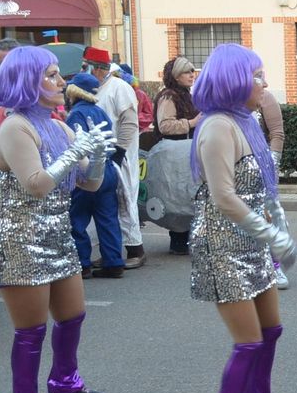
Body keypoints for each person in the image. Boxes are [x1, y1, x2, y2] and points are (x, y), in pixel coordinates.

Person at [0, 45, 112, 393]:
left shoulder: (58, 125)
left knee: (72, 315)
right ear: (26, 82)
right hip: (18, 236)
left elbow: (88, 183)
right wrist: (75, 154)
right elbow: (36, 184)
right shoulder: (14, 126)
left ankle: (65, 382)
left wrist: (99, 157)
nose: (62, 82)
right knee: (31, 330)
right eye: (51, 75)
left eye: (59, 74)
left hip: (55, 234)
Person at [190, 44, 297, 393]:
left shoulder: (245, 121)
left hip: (250, 245)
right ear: (234, 80)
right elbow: (223, 197)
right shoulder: (217, 126)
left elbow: (261, 190)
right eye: (257, 76)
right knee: (248, 341)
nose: (265, 84)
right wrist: (273, 235)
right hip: (222, 247)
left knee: (270, 330)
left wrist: (273, 230)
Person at [84, 47, 144, 269]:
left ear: (99, 68)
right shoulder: (91, 89)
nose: (85, 70)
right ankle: (110, 251)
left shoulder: (120, 88)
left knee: (125, 199)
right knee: (104, 204)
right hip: (99, 156)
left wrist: (120, 150)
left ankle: (135, 249)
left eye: (87, 66)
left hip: (121, 155)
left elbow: (129, 122)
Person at [64, 73, 124, 279]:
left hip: (87, 169)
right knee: (107, 217)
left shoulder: (75, 115)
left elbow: (75, 148)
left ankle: (83, 264)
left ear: (74, 92)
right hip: (107, 168)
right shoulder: (101, 112)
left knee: (77, 218)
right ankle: (114, 262)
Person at [152, 56, 201, 255]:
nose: (192, 75)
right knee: (176, 195)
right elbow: (165, 125)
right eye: (186, 72)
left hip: (184, 152)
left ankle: (185, 238)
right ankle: (179, 240)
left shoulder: (185, 94)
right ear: (176, 76)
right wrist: (191, 123)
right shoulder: (169, 96)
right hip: (172, 154)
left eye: (192, 70)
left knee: (187, 193)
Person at [255, 88, 288, 289]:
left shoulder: (264, 97)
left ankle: (275, 266)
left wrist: (271, 164)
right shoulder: (222, 98)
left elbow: (277, 134)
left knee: (269, 215)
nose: (264, 82)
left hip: (263, 165)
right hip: (231, 167)